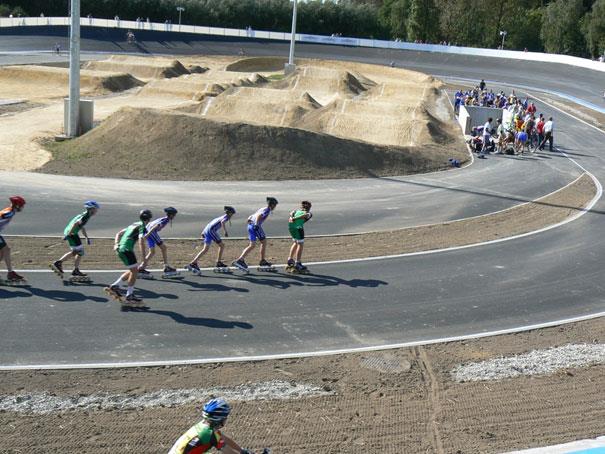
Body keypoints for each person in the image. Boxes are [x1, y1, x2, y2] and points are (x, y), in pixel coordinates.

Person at [169, 398, 265, 454]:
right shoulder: (209, 434)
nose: (226, 419)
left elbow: (224, 438)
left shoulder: (204, 426)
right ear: (219, 419)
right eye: (225, 417)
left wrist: (242, 451)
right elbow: (229, 452)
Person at [105, 209, 152, 305]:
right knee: (135, 271)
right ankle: (129, 296)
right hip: (127, 250)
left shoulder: (134, 224)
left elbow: (118, 233)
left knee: (133, 269)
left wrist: (116, 244)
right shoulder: (142, 227)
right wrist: (144, 259)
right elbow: (140, 241)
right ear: (149, 219)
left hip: (120, 249)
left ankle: (114, 286)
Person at [50, 200, 100, 279]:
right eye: (96, 209)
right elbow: (76, 223)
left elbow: (81, 227)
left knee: (79, 252)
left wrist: (86, 237)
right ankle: (58, 262)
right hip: (72, 233)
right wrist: (69, 234)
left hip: (72, 233)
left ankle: (75, 270)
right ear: (91, 209)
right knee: (78, 251)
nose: (97, 211)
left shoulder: (85, 215)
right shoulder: (86, 216)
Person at [233, 197, 278, 272]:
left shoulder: (262, 208)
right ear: (272, 205)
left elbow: (250, 217)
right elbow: (259, 216)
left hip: (250, 226)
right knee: (264, 242)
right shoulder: (267, 210)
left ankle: (240, 260)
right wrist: (256, 224)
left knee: (252, 245)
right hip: (255, 226)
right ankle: (262, 261)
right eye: (275, 205)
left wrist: (250, 222)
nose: (275, 207)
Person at [186, 206, 236, 275]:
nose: (232, 215)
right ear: (229, 213)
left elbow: (209, 223)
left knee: (205, 249)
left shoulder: (220, 217)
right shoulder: (225, 217)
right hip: (211, 231)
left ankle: (193, 263)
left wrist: (203, 232)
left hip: (207, 230)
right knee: (222, 245)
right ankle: (218, 262)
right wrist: (225, 231)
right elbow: (222, 222)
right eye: (232, 214)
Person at [138, 207, 178, 278]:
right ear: (171, 215)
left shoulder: (164, 218)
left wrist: (147, 234)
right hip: (151, 232)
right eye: (174, 215)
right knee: (164, 248)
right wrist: (147, 235)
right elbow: (155, 226)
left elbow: (151, 224)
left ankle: (141, 268)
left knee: (152, 252)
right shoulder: (165, 220)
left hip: (148, 231)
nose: (174, 216)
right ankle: (166, 267)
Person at [0, 196, 26, 283]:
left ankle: (10, 272)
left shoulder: (10, 210)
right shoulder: (10, 212)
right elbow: (3, 215)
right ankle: (10, 273)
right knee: (6, 250)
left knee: (2, 254)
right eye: (21, 206)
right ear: (17, 205)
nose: (22, 208)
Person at [286, 201, 312, 273]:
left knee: (295, 242)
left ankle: (290, 259)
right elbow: (305, 215)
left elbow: (291, 213)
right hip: (298, 228)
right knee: (300, 244)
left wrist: (292, 217)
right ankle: (298, 263)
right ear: (309, 207)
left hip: (291, 228)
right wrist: (294, 218)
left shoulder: (296, 211)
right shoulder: (309, 213)